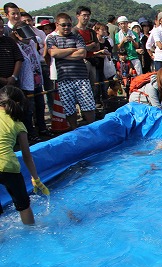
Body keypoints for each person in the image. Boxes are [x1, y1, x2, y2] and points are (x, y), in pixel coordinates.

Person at [0, 85, 49, 224]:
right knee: (23, 206)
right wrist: (35, 178)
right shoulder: (18, 124)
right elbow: (27, 156)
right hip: (7, 166)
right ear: (20, 103)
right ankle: (32, 234)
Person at [46, 12, 96, 129]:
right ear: (57, 24)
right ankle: (75, 130)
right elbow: (53, 53)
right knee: (69, 109)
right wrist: (72, 49)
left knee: (88, 106)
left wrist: (62, 54)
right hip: (64, 78)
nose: (66, 27)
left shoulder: (77, 36)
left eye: (69, 25)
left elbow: (82, 53)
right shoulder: (51, 39)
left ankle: (93, 129)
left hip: (81, 77)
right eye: (63, 25)